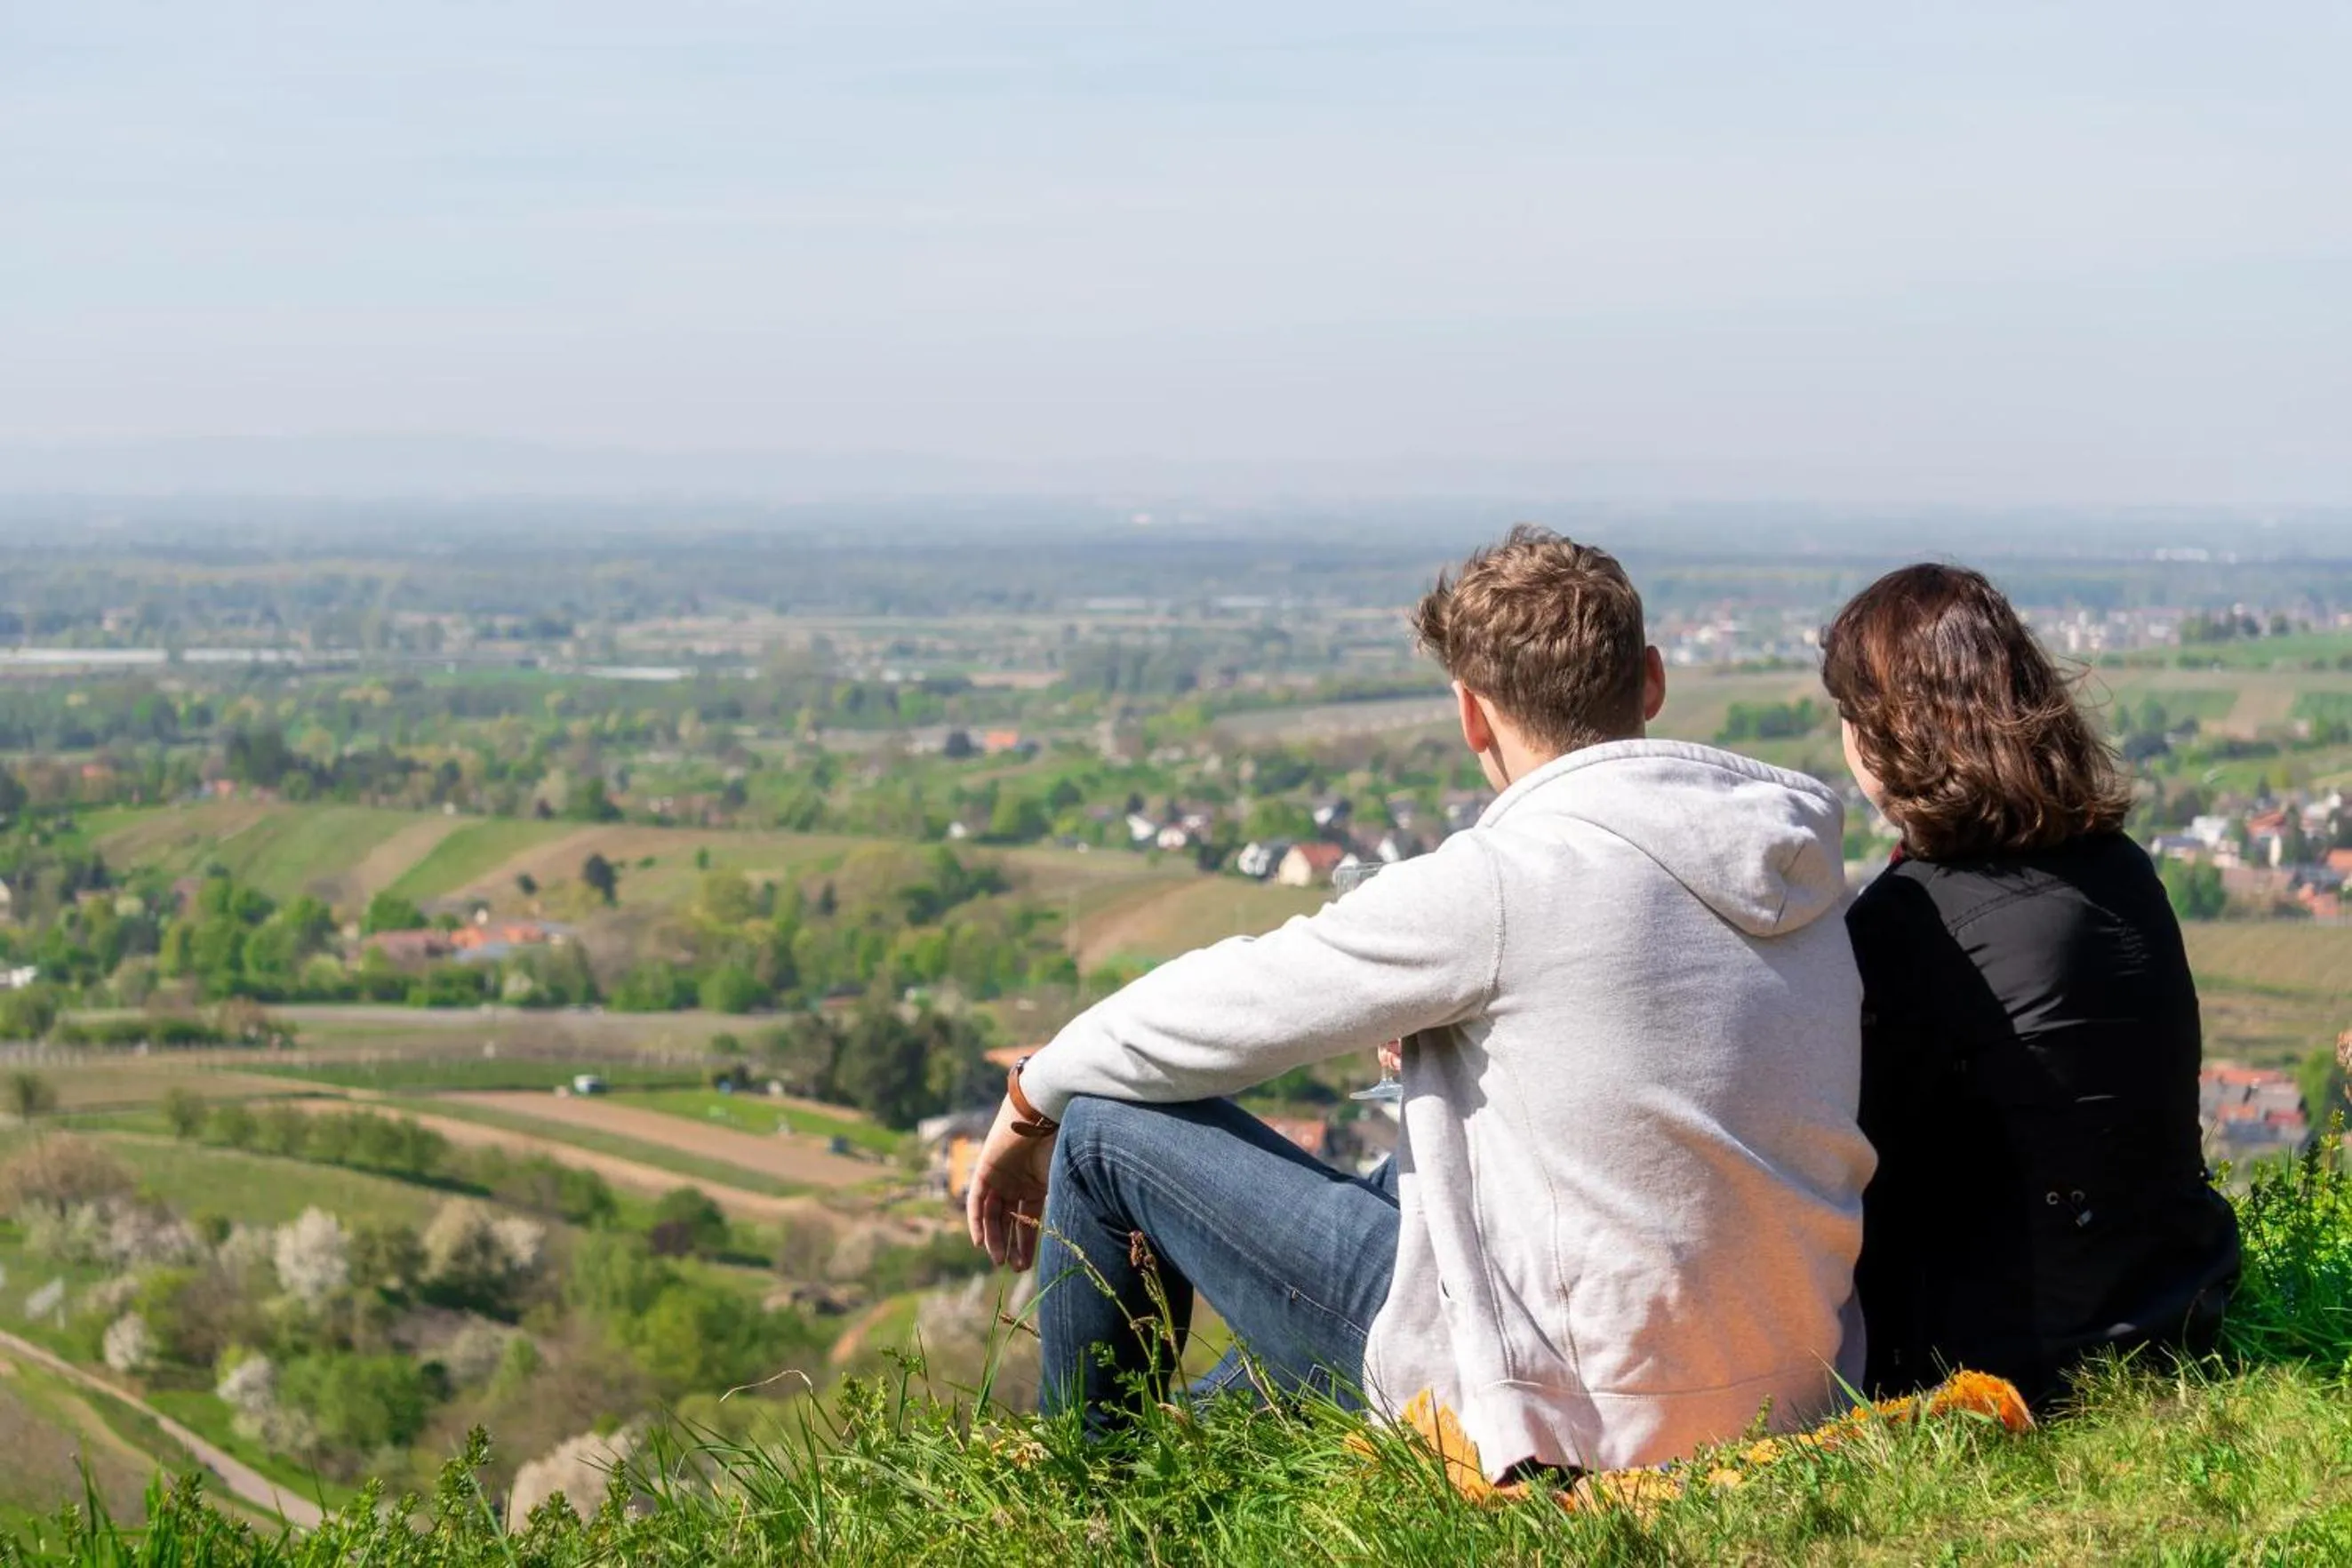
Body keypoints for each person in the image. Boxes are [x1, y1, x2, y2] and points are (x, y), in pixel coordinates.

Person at [964, 525, 1876, 1480]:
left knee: (1102, 1128)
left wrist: (1034, 1095)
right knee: (1406, 1180)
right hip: (1788, 1381)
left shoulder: (1507, 878)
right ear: (1650, 681)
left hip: (1583, 1406)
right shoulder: (1796, 869)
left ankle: (1091, 1490)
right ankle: (1204, 1434)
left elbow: (1223, 1009)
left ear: (1472, 715)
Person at [1821, 564, 2239, 1409]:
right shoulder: (2122, 870)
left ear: (1885, 732)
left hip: (2013, 1356)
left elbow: (1852, 1161)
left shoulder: (1907, 921)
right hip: (2180, 1303)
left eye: (1848, 713)